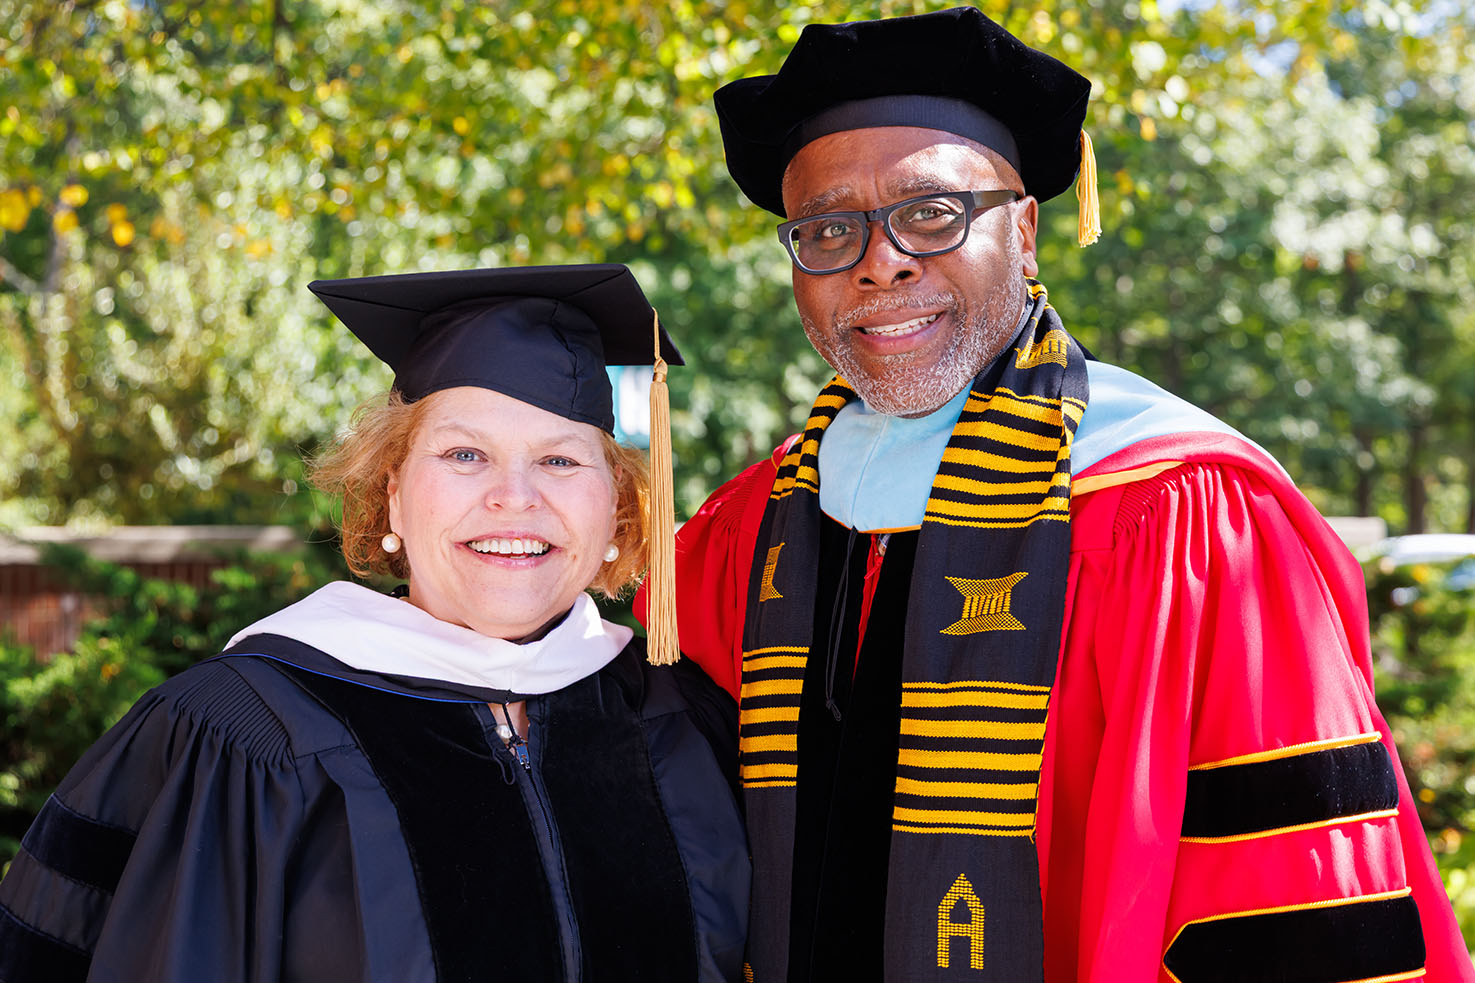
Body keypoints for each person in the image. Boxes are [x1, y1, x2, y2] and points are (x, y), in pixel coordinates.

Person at [636, 8, 1473, 982]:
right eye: (825, 230)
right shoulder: (745, 532)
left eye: (931, 212)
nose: (879, 260)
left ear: (1024, 228)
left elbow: (1294, 902)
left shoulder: (1185, 512)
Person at [0, 264, 749, 982]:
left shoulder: (683, 718)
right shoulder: (243, 732)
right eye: (464, 454)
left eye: (560, 461)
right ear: (391, 496)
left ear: (616, 505)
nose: (513, 498)